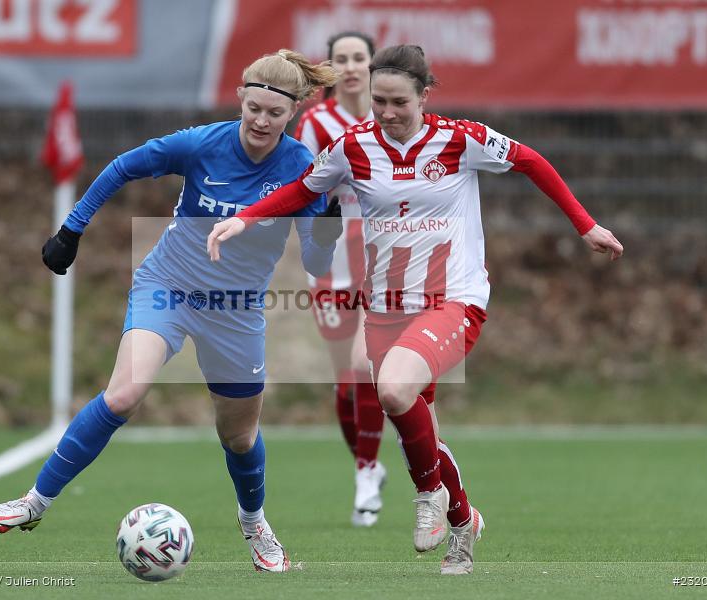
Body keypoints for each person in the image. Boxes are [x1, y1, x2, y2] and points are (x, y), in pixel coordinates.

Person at [207, 45, 624, 575]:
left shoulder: (460, 139)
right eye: (378, 101)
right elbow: (299, 191)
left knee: (393, 390)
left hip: (454, 299)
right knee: (418, 426)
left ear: (424, 96)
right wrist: (243, 218)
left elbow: (531, 162)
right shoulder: (352, 147)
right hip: (385, 308)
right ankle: (463, 522)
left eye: (399, 102)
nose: (387, 112)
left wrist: (585, 224)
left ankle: (428, 496)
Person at [0, 49, 341, 574]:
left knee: (239, 437)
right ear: (240, 98)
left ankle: (254, 522)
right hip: (168, 286)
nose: (261, 121)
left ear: (293, 113)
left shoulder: (301, 169)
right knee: (123, 394)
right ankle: (34, 502)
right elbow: (123, 166)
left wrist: (326, 227)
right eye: (254, 108)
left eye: (274, 113)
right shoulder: (202, 144)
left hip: (236, 310)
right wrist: (71, 230)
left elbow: (314, 262)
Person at [294, 31, 387, 528]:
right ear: (329, 69)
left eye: (358, 58)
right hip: (332, 265)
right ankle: (366, 464)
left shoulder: (392, 115)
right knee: (346, 382)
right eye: (340, 59)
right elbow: (302, 187)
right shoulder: (315, 123)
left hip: (383, 260)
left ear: (373, 64)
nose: (350, 67)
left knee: (363, 365)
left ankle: (366, 473)